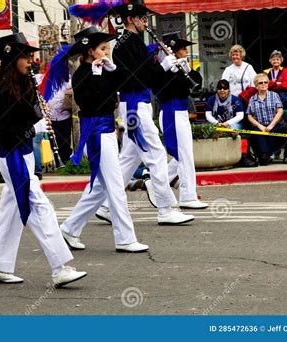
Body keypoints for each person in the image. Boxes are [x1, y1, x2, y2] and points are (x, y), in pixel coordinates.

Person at [0, 33, 87, 286]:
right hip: (13, 156)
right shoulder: (0, 89)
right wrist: (33, 125)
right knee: (40, 207)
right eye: (25, 57)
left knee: (11, 213)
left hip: (24, 154)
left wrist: (35, 120)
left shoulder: (24, 83)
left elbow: (27, 116)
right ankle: (60, 267)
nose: (30, 61)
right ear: (12, 59)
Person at [95, 0, 194, 226]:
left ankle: (105, 205)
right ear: (130, 19)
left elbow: (144, 74)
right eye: (142, 18)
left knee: (129, 158)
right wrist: (164, 66)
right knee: (156, 154)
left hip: (138, 104)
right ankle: (165, 208)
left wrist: (163, 64)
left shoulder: (134, 42)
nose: (145, 22)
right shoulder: (126, 44)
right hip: (133, 105)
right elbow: (138, 78)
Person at [56, 27, 149, 252]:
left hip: (108, 130)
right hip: (95, 132)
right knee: (116, 185)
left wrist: (114, 69)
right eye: (103, 49)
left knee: (99, 188)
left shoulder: (104, 68)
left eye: (108, 48)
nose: (107, 52)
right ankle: (125, 238)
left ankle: (68, 229)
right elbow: (90, 102)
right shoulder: (81, 74)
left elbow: (121, 85)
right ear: (90, 51)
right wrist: (97, 76)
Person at [152, 31, 208, 209]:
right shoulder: (164, 70)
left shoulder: (183, 67)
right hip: (171, 112)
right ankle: (187, 195)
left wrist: (187, 70)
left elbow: (197, 83)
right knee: (184, 156)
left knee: (182, 155)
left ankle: (156, 184)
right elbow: (162, 92)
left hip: (181, 112)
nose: (186, 52)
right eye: (183, 49)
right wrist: (172, 72)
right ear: (174, 51)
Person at [247, 73, 287, 166]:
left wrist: (271, 126)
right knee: (255, 133)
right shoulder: (252, 99)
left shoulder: (274, 95)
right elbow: (249, 115)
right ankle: (265, 156)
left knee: (280, 130)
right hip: (260, 127)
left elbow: (280, 111)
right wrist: (260, 126)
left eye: (266, 82)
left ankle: (265, 156)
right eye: (261, 83)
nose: (264, 84)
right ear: (256, 86)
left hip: (274, 125)